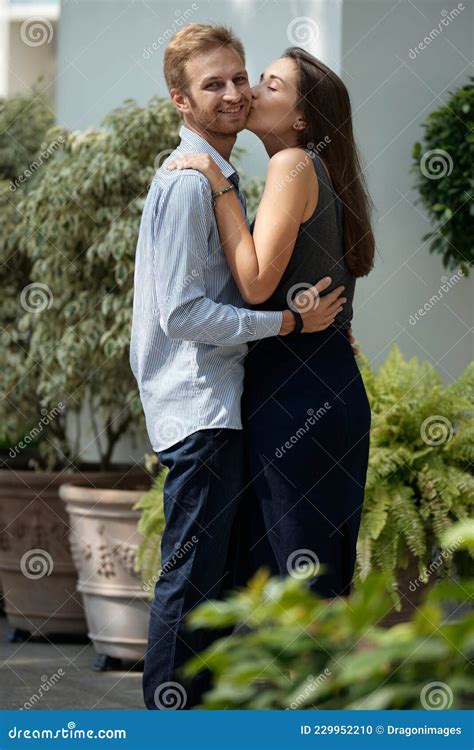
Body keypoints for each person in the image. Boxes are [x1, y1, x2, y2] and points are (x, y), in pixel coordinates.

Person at [129, 24, 349, 710]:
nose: (233, 94)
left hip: (219, 406)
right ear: (181, 101)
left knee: (215, 591)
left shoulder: (224, 179)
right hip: (201, 407)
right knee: (192, 582)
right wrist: (286, 323)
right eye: (212, 84)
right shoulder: (193, 184)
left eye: (239, 78)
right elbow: (184, 316)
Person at [166, 46, 375, 602]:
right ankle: (315, 686)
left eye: (271, 85)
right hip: (321, 380)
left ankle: (306, 689)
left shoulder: (293, 164)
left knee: (292, 573)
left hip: (295, 391)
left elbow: (256, 284)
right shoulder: (322, 170)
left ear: (302, 118)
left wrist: (215, 179)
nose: (250, 91)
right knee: (308, 567)